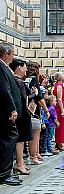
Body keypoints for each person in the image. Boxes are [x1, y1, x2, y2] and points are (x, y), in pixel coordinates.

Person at [0, 42, 23, 185]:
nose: (13, 57)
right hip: (6, 113)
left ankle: (5, 172)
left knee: (8, 140)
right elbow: (4, 90)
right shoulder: (1, 67)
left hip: (7, 112)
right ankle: (4, 174)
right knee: (8, 140)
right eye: (12, 54)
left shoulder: (4, 67)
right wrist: (12, 109)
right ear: (5, 54)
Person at [8, 59, 35, 175]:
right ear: (19, 67)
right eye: (24, 67)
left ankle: (21, 163)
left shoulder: (17, 80)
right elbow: (24, 98)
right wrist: (35, 94)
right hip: (22, 114)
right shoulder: (17, 81)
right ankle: (19, 163)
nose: (26, 70)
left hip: (23, 114)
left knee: (22, 139)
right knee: (20, 139)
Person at [26, 61, 49, 165]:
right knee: (35, 133)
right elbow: (39, 97)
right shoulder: (34, 79)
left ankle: (36, 153)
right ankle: (34, 156)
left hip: (25, 108)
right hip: (34, 109)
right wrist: (46, 109)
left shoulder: (25, 79)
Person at [53, 72, 64, 151]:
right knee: (60, 127)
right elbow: (59, 99)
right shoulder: (59, 86)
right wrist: (62, 111)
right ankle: (59, 143)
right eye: (63, 75)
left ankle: (59, 143)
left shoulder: (60, 86)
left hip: (62, 108)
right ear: (59, 77)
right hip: (60, 109)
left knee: (62, 126)